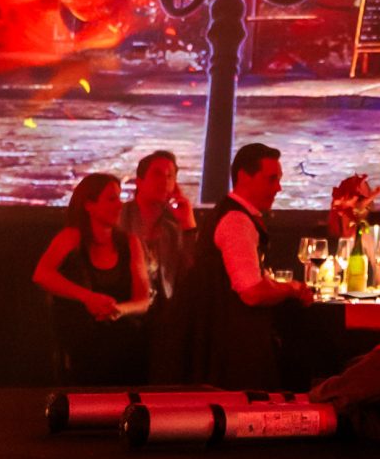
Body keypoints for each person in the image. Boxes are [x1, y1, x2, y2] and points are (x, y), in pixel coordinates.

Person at [194, 141, 313, 390]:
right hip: (233, 350)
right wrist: (292, 289)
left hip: (224, 342)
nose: (278, 188)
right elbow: (252, 293)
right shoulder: (236, 221)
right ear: (243, 177)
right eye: (271, 179)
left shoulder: (233, 214)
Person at [34, 171, 151, 386]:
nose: (119, 205)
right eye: (111, 199)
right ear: (89, 205)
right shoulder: (71, 237)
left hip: (125, 343)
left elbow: (143, 300)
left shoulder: (130, 242)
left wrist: (118, 310)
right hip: (82, 344)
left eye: (119, 198)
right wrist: (88, 297)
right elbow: (42, 274)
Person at [120, 149, 196, 379]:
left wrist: (188, 225)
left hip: (164, 317)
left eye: (170, 176)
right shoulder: (120, 217)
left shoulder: (174, 225)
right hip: (124, 308)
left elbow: (192, 273)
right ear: (139, 181)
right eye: (157, 174)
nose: (164, 181)